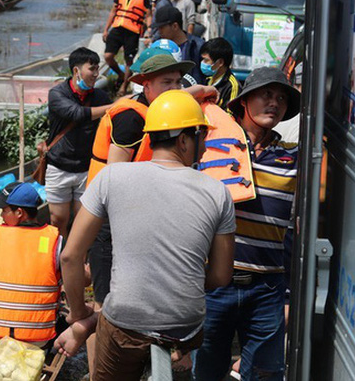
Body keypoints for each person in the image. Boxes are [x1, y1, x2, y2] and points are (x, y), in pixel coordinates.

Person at [56, 90, 236, 380]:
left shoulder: (112, 177)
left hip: (125, 323)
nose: (204, 148)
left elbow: (70, 256)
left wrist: (79, 316)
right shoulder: (218, 192)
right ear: (184, 139)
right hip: (185, 327)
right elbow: (220, 276)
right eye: (202, 136)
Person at [194, 67, 301, 381]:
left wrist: (289, 296)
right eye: (266, 94)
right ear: (243, 102)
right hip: (214, 285)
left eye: (281, 98)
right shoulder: (208, 143)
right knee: (207, 373)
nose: (275, 103)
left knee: (266, 376)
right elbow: (162, 108)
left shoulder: (293, 158)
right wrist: (203, 94)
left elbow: (296, 232)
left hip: (268, 289)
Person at [0, 182, 62, 347]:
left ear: (19, 213)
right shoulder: (55, 240)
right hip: (39, 339)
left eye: (4, 210)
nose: (1, 216)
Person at [46, 47, 112, 237]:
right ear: (76, 71)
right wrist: (113, 106)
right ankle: (60, 257)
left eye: (98, 69)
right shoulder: (57, 94)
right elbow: (76, 113)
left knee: (83, 221)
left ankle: (79, 260)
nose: (96, 74)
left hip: (86, 167)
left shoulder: (99, 97)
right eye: (92, 69)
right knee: (58, 219)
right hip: (59, 166)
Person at [102, 0, 152, 91]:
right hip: (118, 27)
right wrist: (106, 29)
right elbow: (113, 11)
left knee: (129, 62)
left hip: (133, 31)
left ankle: (124, 86)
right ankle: (120, 74)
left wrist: (149, 29)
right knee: (108, 56)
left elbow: (149, 15)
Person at [152, 5, 206, 84]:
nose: (159, 31)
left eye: (162, 27)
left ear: (175, 26)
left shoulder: (197, 46)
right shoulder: (158, 46)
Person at [199, 37, 242, 111]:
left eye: (206, 60)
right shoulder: (208, 80)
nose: (202, 63)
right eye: (202, 59)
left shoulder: (232, 86)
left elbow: (230, 116)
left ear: (220, 62)